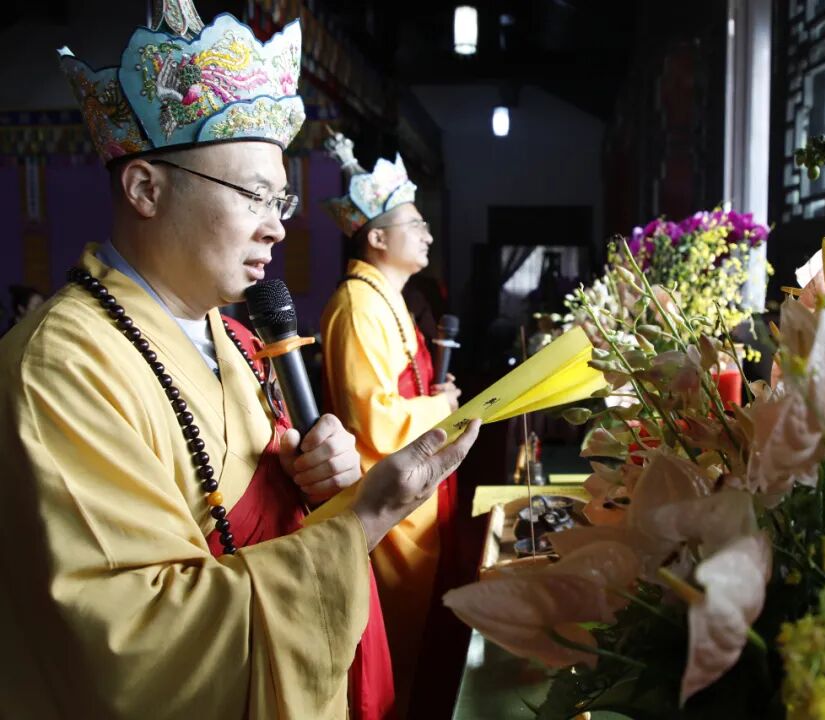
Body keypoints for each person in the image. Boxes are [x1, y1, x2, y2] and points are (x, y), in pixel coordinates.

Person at [0, 5, 479, 719]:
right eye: (254, 193)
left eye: (279, 197)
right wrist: (361, 523)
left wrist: (325, 479)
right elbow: (136, 641)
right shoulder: (62, 367)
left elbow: (255, 499)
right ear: (144, 188)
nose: (278, 224)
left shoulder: (229, 334)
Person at [320, 132, 462, 715]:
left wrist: (438, 396)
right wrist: (441, 410)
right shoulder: (356, 305)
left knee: (425, 631)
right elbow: (372, 421)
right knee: (400, 644)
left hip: (420, 488)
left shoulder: (388, 298)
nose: (427, 234)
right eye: (415, 224)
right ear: (377, 237)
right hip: (390, 496)